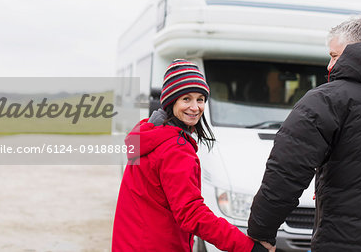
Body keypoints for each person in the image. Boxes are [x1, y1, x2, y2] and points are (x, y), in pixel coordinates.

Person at [247, 17, 361, 251]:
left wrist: (261, 232)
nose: (329, 65)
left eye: (335, 56)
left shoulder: (329, 99)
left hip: (344, 242)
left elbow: (286, 171)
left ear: (357, 52)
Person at [113, 59, 273, 252]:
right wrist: (247, 247)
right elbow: (191, 213)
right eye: (186, 99)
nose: (195, 107)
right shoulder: (174, 149)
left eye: (200, 99)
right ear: (171, 101)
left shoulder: (148, 134)